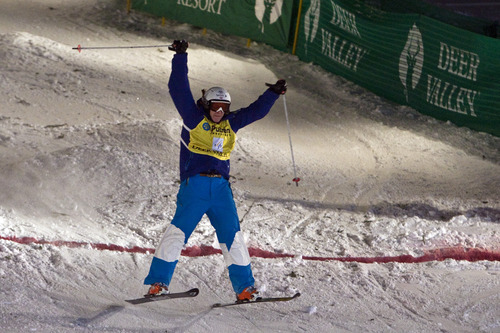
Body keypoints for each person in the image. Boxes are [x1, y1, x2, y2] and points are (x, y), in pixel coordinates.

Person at [143, 40, 287, 301]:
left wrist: (273, 94)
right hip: (195, 187)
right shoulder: (193, 118)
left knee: (233, 238)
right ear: (207, 105)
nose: (220, 112)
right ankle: (157, 283)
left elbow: (256, 112)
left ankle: (244, 288)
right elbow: (178, 88)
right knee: (177, 233)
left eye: (224, 108)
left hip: (221, 189)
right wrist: (181, 57)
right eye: (215, 107)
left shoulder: (231, 123)